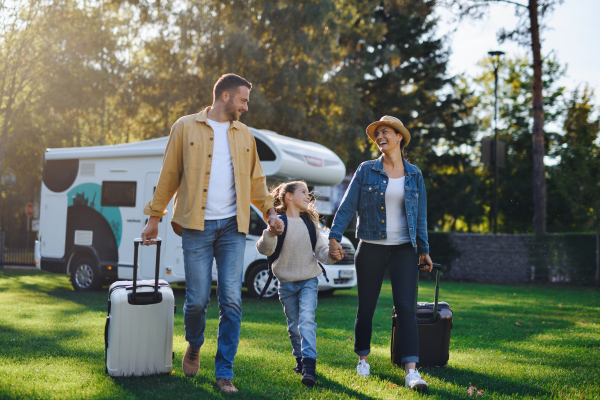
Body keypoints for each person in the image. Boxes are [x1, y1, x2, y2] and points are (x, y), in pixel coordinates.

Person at [140, 73, 284, 393]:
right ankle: (194, 344)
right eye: (243, 100)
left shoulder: (245, 135)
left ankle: (224, 372)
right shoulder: (185, 127)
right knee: (196, 301)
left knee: (231, 300)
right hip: (196, 226)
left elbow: (257, 181)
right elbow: (169, 175)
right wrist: (154, 217)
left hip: (233, 227)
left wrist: (270, 212)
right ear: (226, 97)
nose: (246, 107)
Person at [328, 116, 434, 391]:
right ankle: (363, 360)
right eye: (377, 134)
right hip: (371, 246)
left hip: (405, 250)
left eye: (385, 132)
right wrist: (334, 236)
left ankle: (412, 370)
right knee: (366, 307)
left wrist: (424, 250)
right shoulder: (366, 170)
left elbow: (420, 215)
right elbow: (347, 205)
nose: (379, 137)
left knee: (406, 309)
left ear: (399, 137)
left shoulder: (415, 174)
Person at [255, 181, 343, 387]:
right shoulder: (279, 222)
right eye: (304, 192)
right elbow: (264, 249)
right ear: (289, 197)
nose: (308, 197)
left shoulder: (310, 223)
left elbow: (321, 251)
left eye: (309, 193)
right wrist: (270, 232)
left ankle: (310, 368)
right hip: (285, 284)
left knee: (306, 321)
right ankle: (300, 361)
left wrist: (331, 255)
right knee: (294, 327)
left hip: (308, 281)